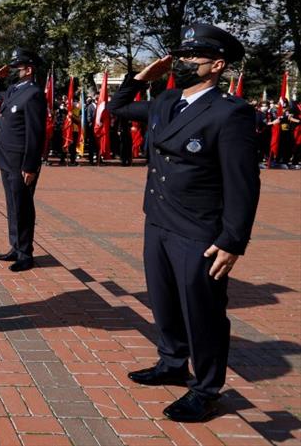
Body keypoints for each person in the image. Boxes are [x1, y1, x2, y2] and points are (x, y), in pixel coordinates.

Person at [108, 22, 260, 423]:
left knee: (203, 311)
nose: (183, 62)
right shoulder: (167, 101)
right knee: (164, 300)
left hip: (198, 230)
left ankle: (206, 389)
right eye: (181, 56)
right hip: (159, 221)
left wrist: (232, 240)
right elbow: (117, 108)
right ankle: (172, 362)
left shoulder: (230, 113)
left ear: (217, 65)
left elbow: (243, 182)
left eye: (193, 57)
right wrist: (141, 78)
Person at [0, 49, 47, 272]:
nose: (14, 71)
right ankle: (15, 246)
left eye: (17, 68)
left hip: (21, 161)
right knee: (12, 205)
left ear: (29, 70)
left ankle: (25, 254)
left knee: (22, 206)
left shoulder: (34, 94)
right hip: (6, 158)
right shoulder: (15, 89)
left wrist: (30, 165)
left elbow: (36, 133)